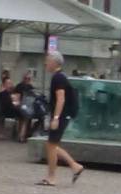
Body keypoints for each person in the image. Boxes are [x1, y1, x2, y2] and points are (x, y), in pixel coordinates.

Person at [38, 53, 83, 186]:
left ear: (54, 62)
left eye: (47, 61)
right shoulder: (60, 76)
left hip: (61, 116)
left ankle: (52, 177)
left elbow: (61, 99)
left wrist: (56, 118)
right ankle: (75, 166)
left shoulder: (58, 78)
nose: (46, 64)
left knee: (51, 146)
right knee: (51, 145)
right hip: (63, 115)